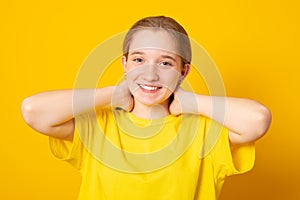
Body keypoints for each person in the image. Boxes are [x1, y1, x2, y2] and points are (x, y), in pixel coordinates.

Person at [21, 16, 271, 200]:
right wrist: (111, 95)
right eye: (139, 60)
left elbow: (258, 119)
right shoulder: (100, 125)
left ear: (183, 71)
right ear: (125, 64)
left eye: (165, 62)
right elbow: (33, 111)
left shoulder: (204, 131)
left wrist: (191, 102)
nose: (150, 74)